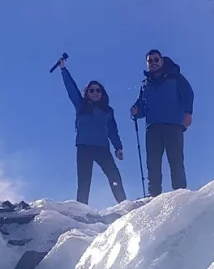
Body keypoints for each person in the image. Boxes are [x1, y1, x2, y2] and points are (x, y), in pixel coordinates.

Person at [56, 58, 128, 204]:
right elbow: (72, 89)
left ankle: (124, 204)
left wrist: (118, 147)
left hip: (102, 148)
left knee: (114, 176)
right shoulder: (81, 106)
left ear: (102, 93)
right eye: (92, 90)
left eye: (98, 90)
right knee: (84, 181)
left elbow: (113, 131)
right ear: (87, 93)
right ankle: (81, 210)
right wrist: (63, 70)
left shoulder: (108, 111)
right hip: (84, 148)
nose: (95, 93)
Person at [130, 49, 193, 197]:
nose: (153, 63)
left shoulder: (175, 77)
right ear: (147, 64)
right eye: (150, 61)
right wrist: (136, 111)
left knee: (175, 160)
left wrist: (188, 113)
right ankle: (153, 195)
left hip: (172, 124)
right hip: (152, 126)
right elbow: (142, 106)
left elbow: (188, 93)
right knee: (152, 163)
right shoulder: (145, 84)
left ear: (162, 60)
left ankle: (180, 194)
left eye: (156, 59)